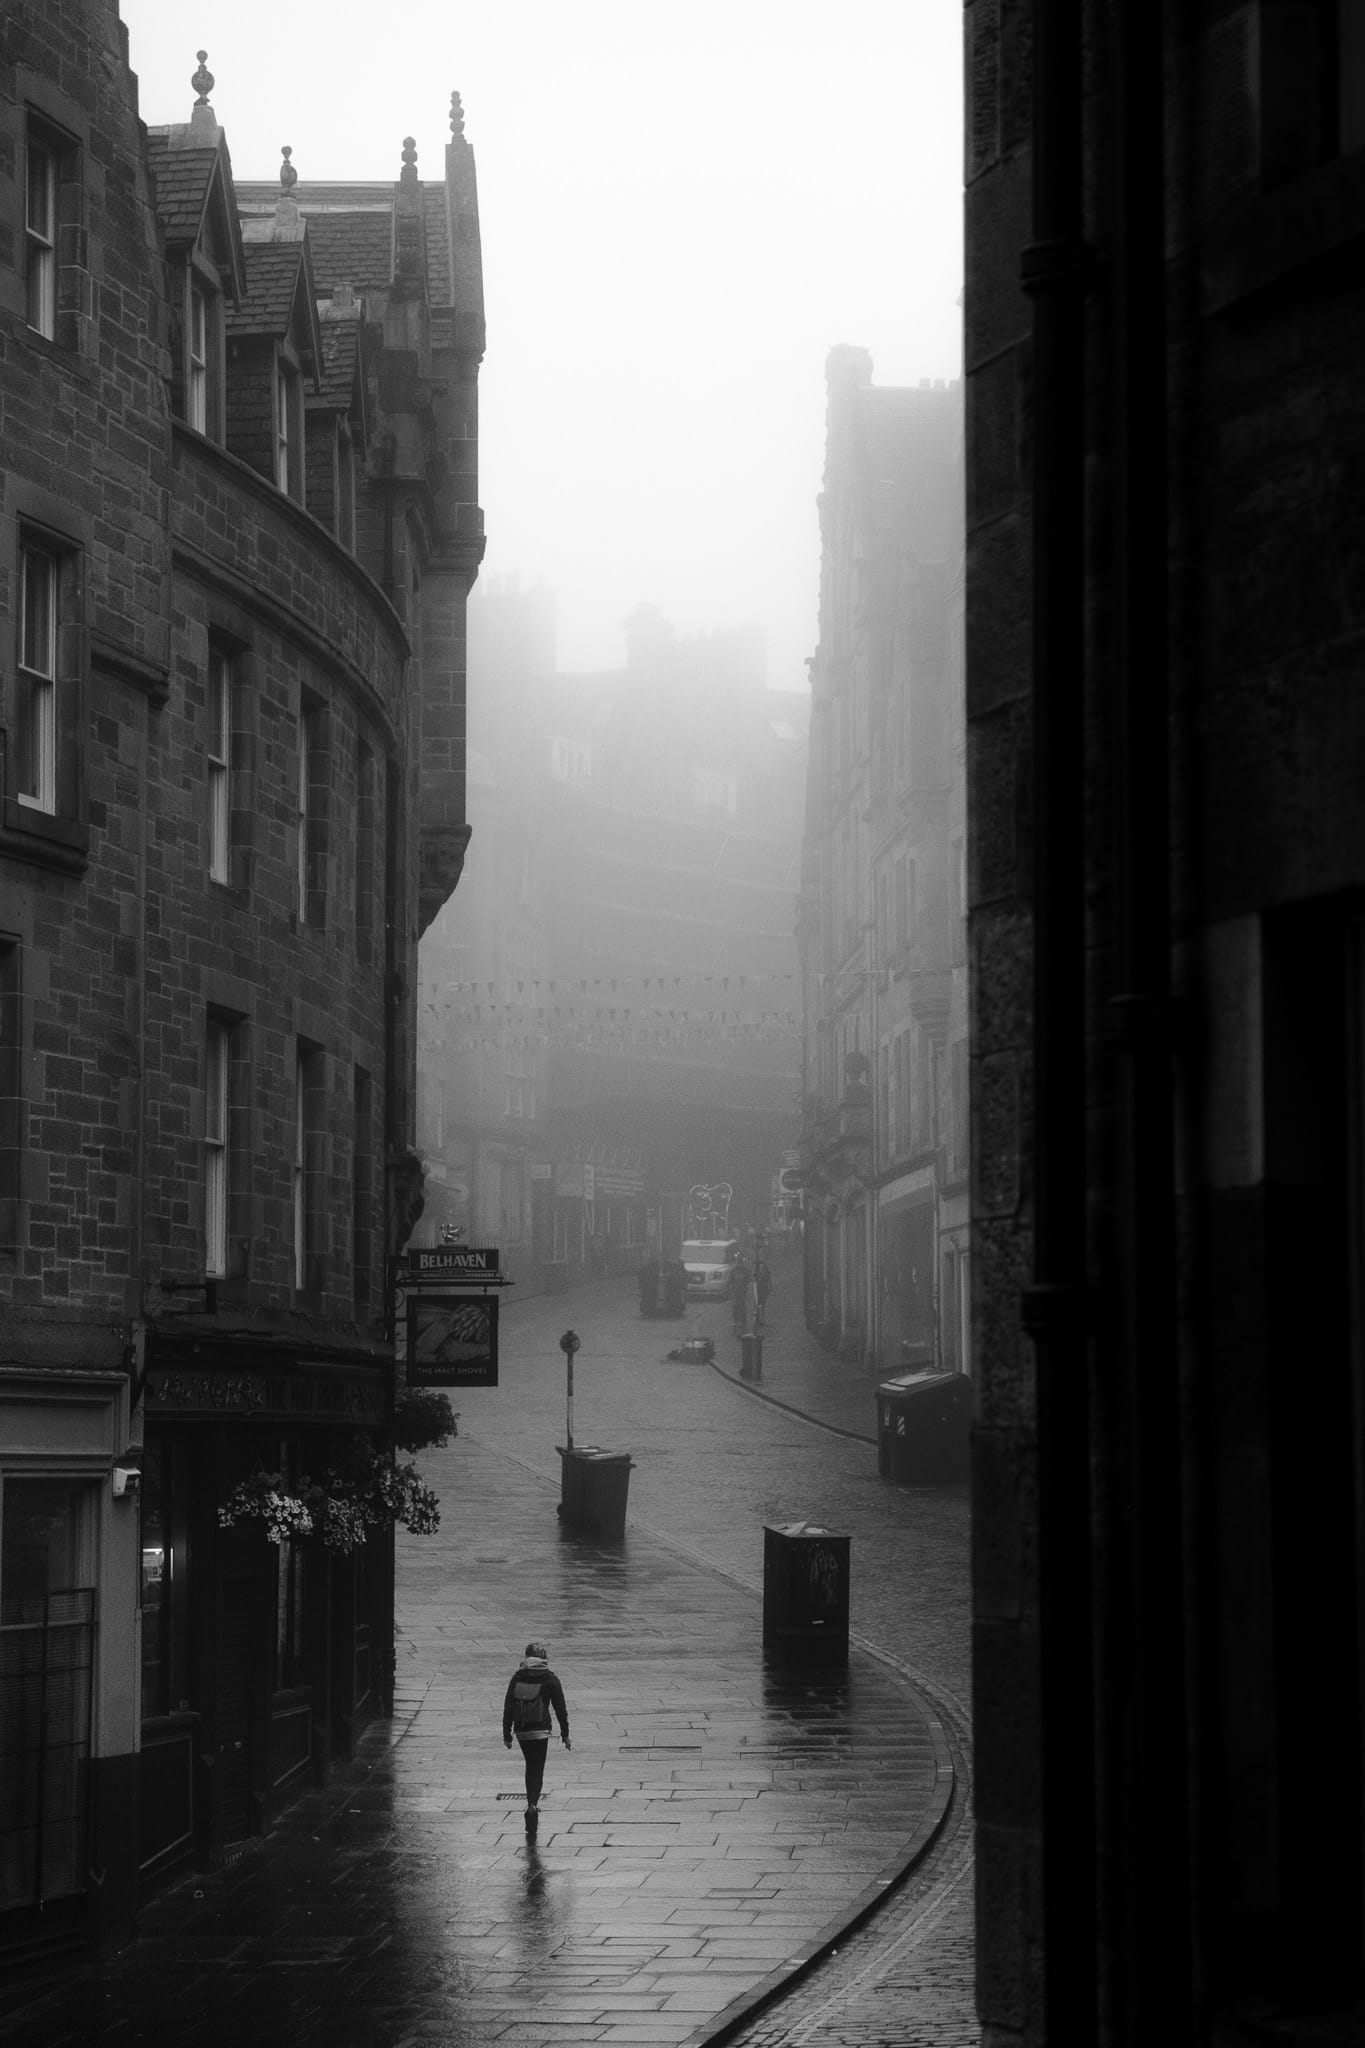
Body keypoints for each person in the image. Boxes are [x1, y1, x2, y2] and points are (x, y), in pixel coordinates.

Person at [503, 1639, 570, 1817]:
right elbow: (560, 1708)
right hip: (540, 1731)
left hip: (522, 1730)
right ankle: (533, 1805)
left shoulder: (518, 1677)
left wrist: (507, 1734)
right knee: (537, 1767)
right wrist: (565, 1733)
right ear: (544, 1658)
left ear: (526, 1657)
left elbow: (508, 1706)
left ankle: (530, 1803)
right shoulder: (550, 1678)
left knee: (529, 1765)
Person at [730, 1253, 752, 1334]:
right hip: (736, 1292)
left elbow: (749, 1281)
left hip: (742, 1292)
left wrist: (747, 1291)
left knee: (742, 1307)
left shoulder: (745, 1271)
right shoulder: (733, 1271)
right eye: (738, 1261)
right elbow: (731, 1282)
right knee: (736, 1307)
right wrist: (732, 1292)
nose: (739, 1263)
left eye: (739, 1261)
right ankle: (736, 1323)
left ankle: (742, 1323)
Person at [753, 1256, 772, 1325]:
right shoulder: (761, 1270)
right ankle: (760, 1319)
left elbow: (768, 1279)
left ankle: (760, 1319)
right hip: (761, 1290)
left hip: (762, 1290)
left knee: (760, 1305)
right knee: (760, 1305)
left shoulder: (762, 1271)